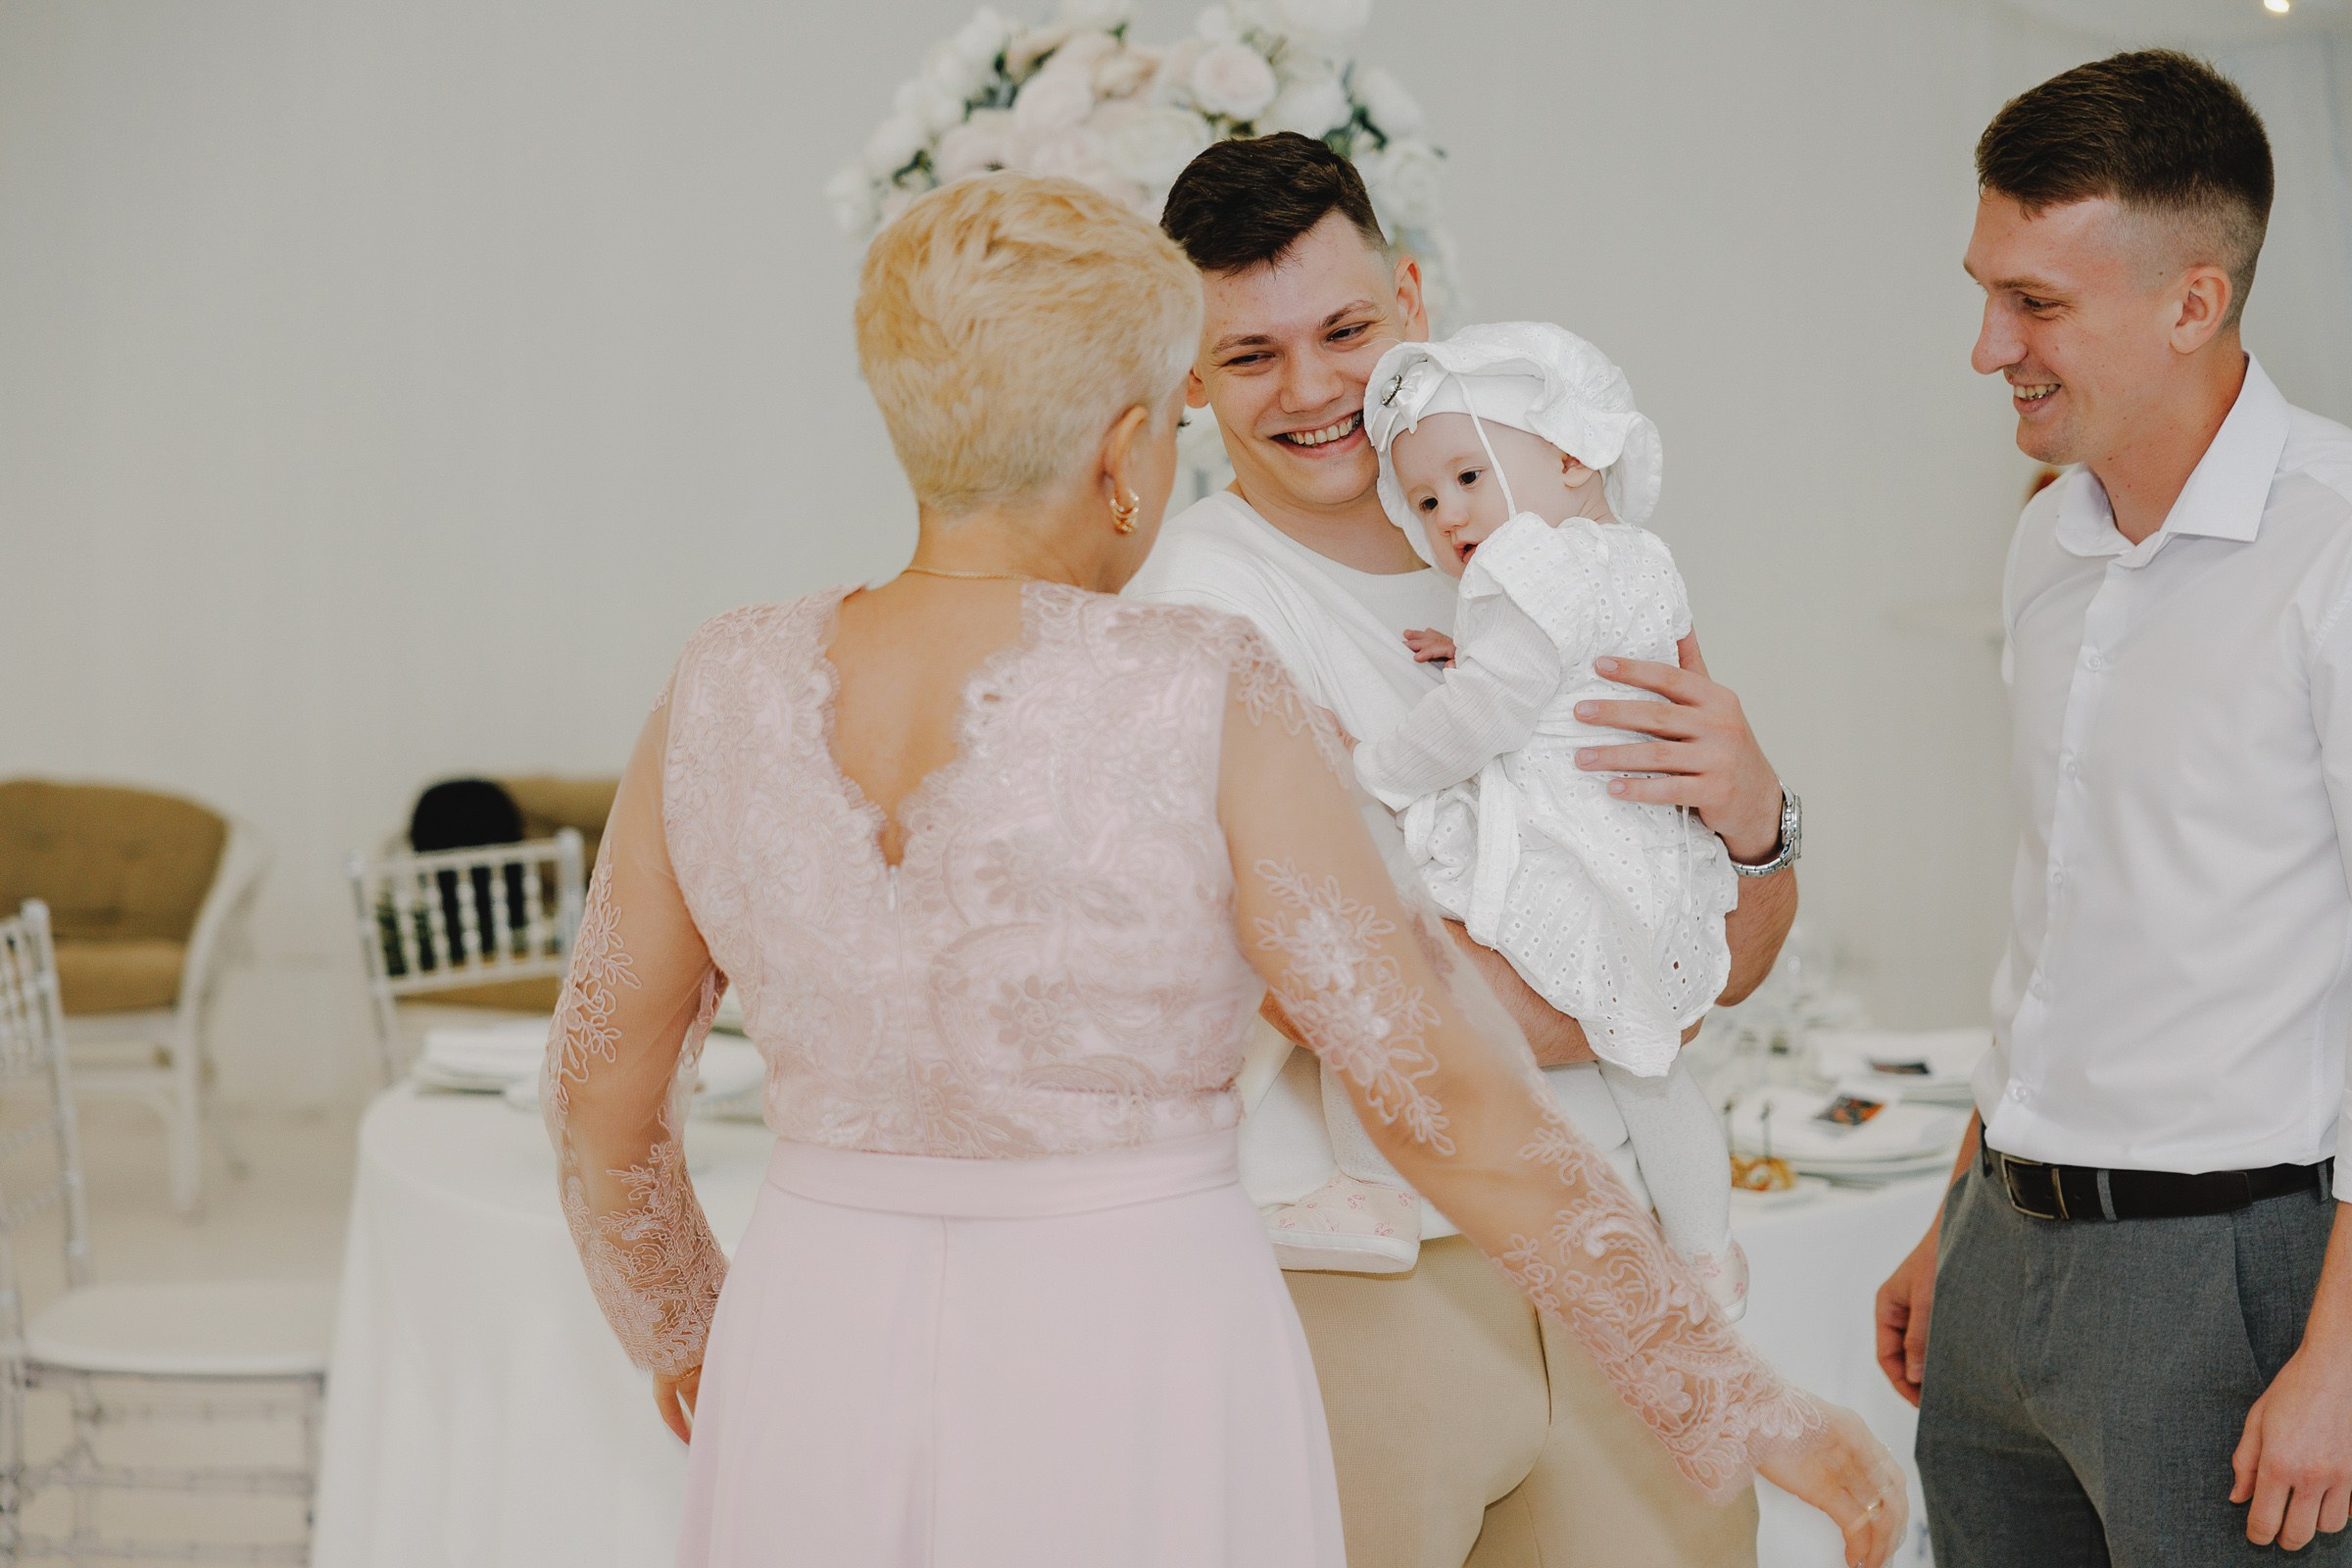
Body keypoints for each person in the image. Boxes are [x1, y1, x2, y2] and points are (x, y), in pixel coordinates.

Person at [539, 172, 1903, 1568]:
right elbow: (1439, 1085)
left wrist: (692, 1331)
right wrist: (1728, 1394)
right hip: (1137, 1344)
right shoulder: (1197, 681)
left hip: (811, 1340)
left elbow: (598, 1094)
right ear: (1130, 448)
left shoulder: (722, 681)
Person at [1127, 132, 1802, 1568]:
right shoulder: (1199, 609)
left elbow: (1729, 954)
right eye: (1249, 356)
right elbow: (1348, 1002)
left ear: (1416, 301)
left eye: (1346, 330)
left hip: (1623, 1267)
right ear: (1187, 374)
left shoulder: (1553, 542)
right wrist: (1647, 985)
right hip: (1387, 1292)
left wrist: (1755, 820)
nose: (1312, 391)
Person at [1873, 49, 2352, 1566]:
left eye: (2038, 304)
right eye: (1986, 289)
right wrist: (1962, 1210)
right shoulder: (2049, 546)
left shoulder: (2337, 553)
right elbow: (2061, 916)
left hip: (2237, 1280)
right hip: (2002, 1259)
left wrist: (2342, 1361)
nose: (1986, 346)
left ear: (2194, 302)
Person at [1320, 321, 1745, 1318]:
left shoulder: (1522, 568)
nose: (1448, 517)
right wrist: (1477, 643)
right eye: (1424, 500)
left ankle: (1369, 1187)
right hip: (1641, 847)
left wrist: (1376, 771)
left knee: (1369, 957)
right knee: (1652, 1063)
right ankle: (1709, 1254)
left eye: (1468, 478)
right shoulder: (1644, 560)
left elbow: (1487, 715)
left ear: (1570, 453)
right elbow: (1642, 670)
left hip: (1553, 843)